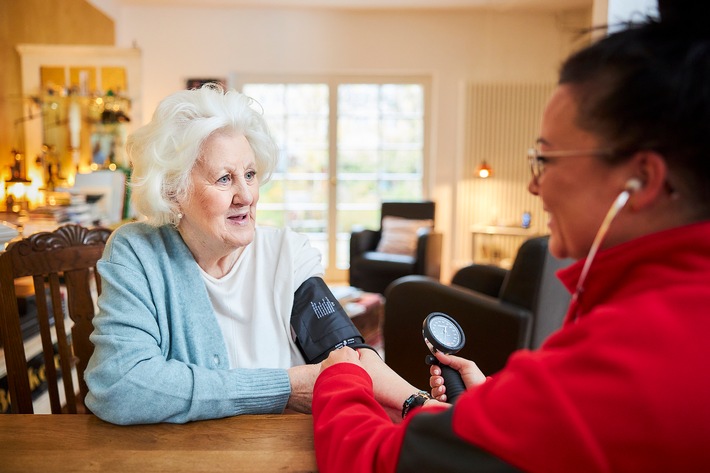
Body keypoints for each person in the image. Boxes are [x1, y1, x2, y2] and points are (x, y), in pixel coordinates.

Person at [311, 2, 710, 471]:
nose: (533, 185)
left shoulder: (627, 362)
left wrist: (339, 374)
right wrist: (499, 410)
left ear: (641, 179)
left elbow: (377, 460)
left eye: (545, 159)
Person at [84, 84, 420, 425]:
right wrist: (284, 387)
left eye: (249, 174)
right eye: (224, 179)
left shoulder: (286, 253)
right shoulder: (138, 253)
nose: (246, 195)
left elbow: (347, 353)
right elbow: (120, 384)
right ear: (173, 192)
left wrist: (418, 404)